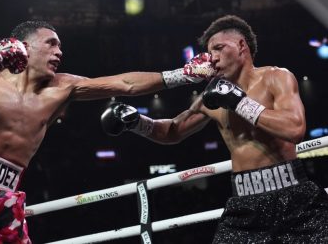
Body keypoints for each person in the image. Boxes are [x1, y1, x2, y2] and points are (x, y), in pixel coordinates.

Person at [0, 21, 215, 243]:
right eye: (51, 43)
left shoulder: (63, 87)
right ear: (24, 47)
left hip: (7, 196)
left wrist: (183, 75)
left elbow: (125, 84)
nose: (59, 52)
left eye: (60, 46)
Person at [101, 15, 328, 243]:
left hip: (294, 197)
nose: (213, 59)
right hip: (245, 204)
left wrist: (239, 102)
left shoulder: (276, 77)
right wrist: (135, 121)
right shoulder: (212, 96)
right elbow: (173, 131)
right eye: (210, 53)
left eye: (219, 48)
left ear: (241, 46)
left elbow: (295, 128)